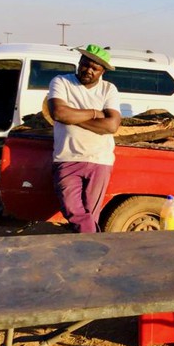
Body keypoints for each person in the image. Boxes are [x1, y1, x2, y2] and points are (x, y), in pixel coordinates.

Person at [48, 44, 122, 233]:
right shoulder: (61, 82)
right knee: (74, 211)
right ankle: (94, 244)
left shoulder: (108, 89)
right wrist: (95, 113)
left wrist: (72, 118)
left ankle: (85, 251)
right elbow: (58, 113)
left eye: (95, 68)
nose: (88, 70)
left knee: (90, 213)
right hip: (67, 157)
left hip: (99, 160)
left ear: (102, 71)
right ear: (79, 62)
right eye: (85, 64)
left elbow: (112, 126)